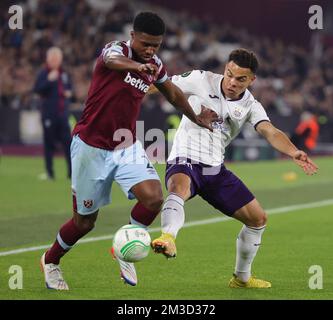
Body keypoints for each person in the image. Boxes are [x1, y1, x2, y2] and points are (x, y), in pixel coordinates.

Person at [40, 12, 216, 290]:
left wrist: (196, 117)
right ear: (132, 36)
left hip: (125, 145)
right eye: (145, 43)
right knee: (84, 223)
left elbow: (173, 94)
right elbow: (112, 61)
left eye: (155, 45)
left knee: (154, 198)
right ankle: (51, 261)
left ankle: (127, 247)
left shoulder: (155, 65)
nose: (150, 50)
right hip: (90, 147)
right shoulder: (115, 51)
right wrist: (135, 65)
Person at [151, 49, 318, 288]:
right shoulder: (200, 79)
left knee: (258, 219)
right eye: (229, 74)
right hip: (185, 158)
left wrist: (293, 151)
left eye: (240, 79)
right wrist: (132, 90)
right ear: (225, 69)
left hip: (215, 170)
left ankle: (241, 278)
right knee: (179, 188)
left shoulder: (251, 105)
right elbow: (162, 84)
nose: (231, 82)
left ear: (252, 80)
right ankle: (168, 237)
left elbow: (269, 130)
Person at [34, 47, 73, 180]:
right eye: (53, 58)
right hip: (49, 114)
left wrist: (69, 93)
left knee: (68, 144)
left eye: (57, 58)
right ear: (48, 59)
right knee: (48, 144)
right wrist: (49, 80)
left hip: (63, 114)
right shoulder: (44, 73)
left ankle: (71, 173)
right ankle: (50, 173)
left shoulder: (65, 73)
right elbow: (37, 90)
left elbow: (69, 88)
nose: (55, 61)